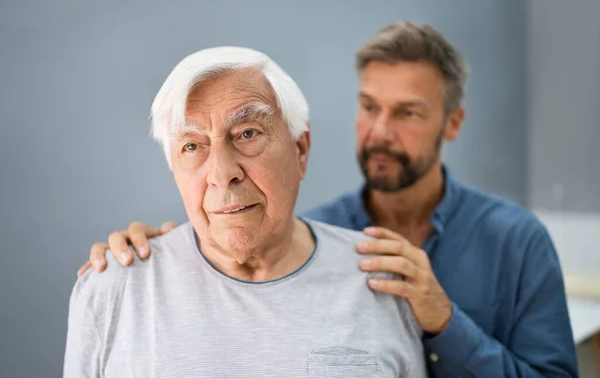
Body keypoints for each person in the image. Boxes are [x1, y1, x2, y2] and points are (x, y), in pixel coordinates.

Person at [78, 21, 579, 377]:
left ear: (452, 123)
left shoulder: (516, 240)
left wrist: (445, 322)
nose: (380, 131)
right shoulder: (302, 233)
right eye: (369, 107)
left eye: (407, 112)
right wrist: (146, 261)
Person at [63, 45, 428, 378]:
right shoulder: (113, 288)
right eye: (192, 146)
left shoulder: (382, 280)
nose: (223, 174)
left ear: (300, 150)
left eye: (247, 134)